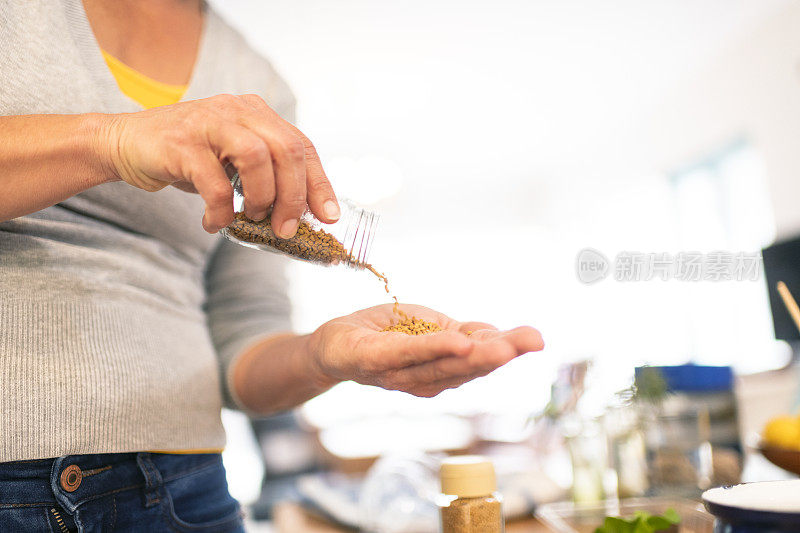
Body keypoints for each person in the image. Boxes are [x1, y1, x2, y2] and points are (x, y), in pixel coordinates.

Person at [0, 0, 544, 530]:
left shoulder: (252, 77)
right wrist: (113, 139)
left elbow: (245, 341)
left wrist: (324, 357)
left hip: (184, 486)